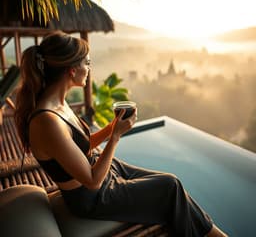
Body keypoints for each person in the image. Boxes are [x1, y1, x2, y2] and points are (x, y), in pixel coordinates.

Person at [15, 31, 228, 237]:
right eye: (87, 63)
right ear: (72, 69)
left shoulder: (59, 104)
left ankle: (212, 233)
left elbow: (81, 146)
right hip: (92, 197)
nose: (89, 68)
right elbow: (92, 181)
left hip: (100, 168)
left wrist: (111, 128)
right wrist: (115, 137)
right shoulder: (47, 121)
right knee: (169, 185)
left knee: (171, 185)